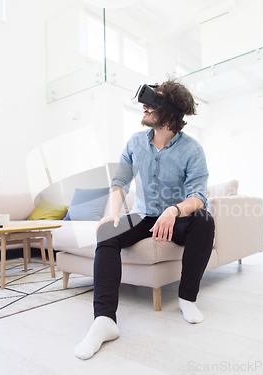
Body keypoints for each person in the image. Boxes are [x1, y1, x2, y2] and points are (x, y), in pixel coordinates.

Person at [74, 78, 215, 360]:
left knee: (204, 219)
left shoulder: (192, 150)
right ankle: (105, 321)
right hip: (142, 216)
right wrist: (114, 212)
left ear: (169, 111)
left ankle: (187, 299)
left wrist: (174, 210)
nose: (144, 106)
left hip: (175, 218)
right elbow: (120, 181)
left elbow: (198, 196)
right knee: (106, 234)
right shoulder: (135, 142)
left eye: (152, 101)